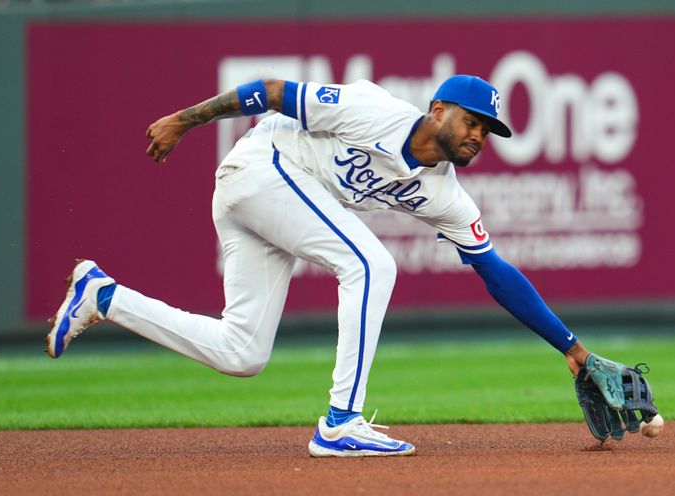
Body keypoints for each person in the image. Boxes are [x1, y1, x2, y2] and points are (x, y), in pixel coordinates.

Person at [45, 75, 592, 457]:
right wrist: (187, 121)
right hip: (261, 169)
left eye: (489, 131)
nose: (479, 136)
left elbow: (495, 271)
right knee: (372, 264)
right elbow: (274, 92)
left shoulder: (446, 196)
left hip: (266, 205)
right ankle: (340, 424)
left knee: (242, 353)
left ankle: (103, 295)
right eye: (474, 121)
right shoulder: (373, 109)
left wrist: (572, 347)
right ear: (439, 110)